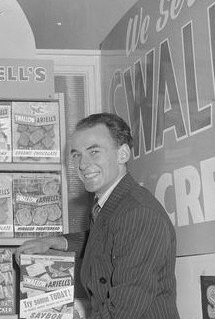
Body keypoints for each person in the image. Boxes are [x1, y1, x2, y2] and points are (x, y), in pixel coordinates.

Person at [15, 113, 179, 319]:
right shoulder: (114, 204)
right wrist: (54, 241)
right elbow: (104, 237)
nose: (82, 164)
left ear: (122, 154)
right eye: (76, 155)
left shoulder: (138, 213)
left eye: (94, 152)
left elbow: (124, 311)